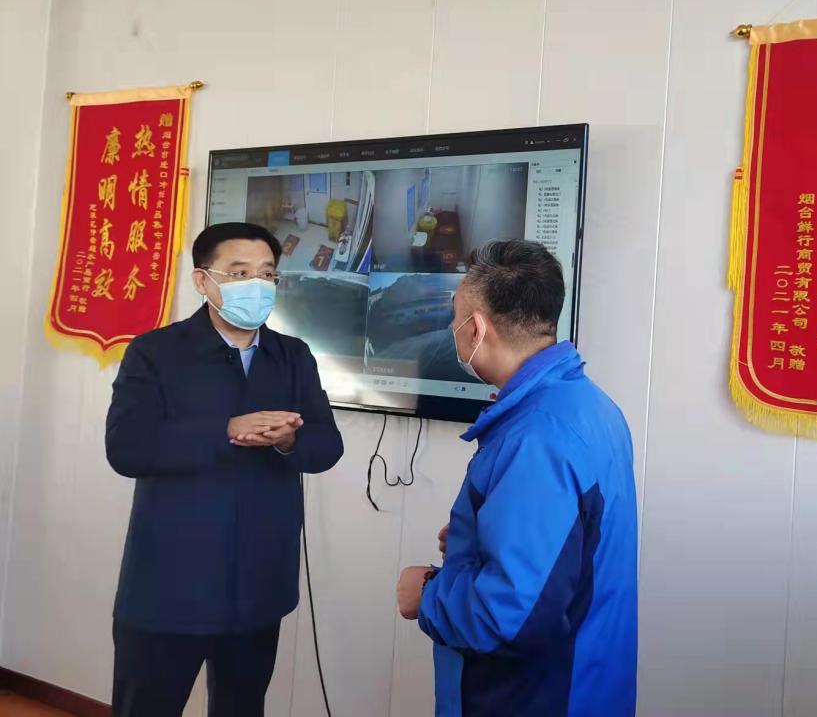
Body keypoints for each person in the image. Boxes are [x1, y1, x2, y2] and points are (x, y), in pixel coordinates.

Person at [105, 222, 344, 717]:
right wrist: (225, 430)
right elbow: (126, 448)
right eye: (239, 273)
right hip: (169, 585)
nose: (256, 285)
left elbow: (328, 445)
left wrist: (289, 439)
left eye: (267, 274)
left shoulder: (292, 356)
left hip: (258, 585)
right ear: (202, 280)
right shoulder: (155, 352)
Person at [396, 240, 638, 717]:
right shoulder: (587, 405)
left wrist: (426, 594)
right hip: (587, 679)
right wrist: (479, 538)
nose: (451, 329)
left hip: (535, 696)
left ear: (476, 328)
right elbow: (570, 547)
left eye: (454, 318)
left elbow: (509, 616)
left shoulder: (537, 438)